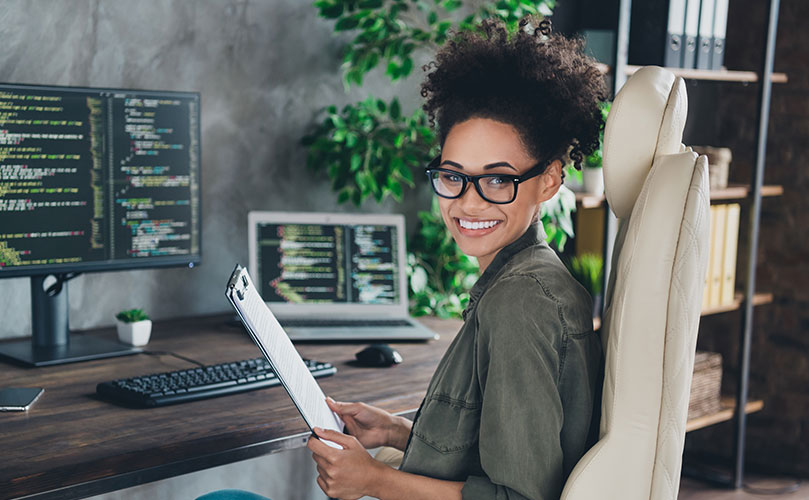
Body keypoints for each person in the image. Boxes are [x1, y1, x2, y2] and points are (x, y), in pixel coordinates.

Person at [200, 15, 606, 500]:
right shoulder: (524, 280)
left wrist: (373, 480)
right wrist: (395, 431)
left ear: (550, 180)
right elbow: (489, 455)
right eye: (453, 175)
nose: (468, 202)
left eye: (499, 179)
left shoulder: (522, 302)